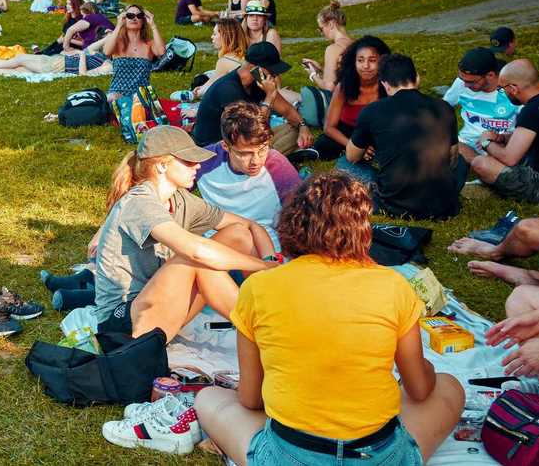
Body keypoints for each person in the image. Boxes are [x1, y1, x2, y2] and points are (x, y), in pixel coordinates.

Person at [194, 172, 464, 466]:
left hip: (288, 457)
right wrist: (419, 369)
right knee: (448, 385)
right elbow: (420, 389)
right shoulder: (393, 286)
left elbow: (250, 399)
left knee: (208, 398)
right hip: (379, 457)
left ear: (291, 225)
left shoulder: (259, 287)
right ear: (363, 229)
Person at [89, 126, 276, 343]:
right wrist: (262, 265)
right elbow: (196, 252)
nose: (197, 165)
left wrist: (272, 262)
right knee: (196, 259)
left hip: (164, 308)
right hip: (123, 326)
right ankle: (263, 330)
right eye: (188, 161)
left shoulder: (180, 199)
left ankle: (270, 311)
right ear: (162, 165)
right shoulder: (139, 202)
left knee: (237, 234)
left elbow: (248, 227)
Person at [345, 53, 461, 219]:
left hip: (395, 205)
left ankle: (374, 190)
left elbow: (352, 156)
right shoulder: (444, 107)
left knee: (344, 163)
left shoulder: (372, 111)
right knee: (461, 163)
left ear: (384, 84)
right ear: (417, 78)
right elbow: (453, 157)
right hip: (443, 206)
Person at [468, 59, 539, 206]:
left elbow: (510, 158)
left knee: (480, 163)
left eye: (502, 89)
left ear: (513, 88)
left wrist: (486, 142)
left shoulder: (531, 111)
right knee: (498, 151)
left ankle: (493, 187)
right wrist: (502, 138)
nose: (503, 93)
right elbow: (537, 136)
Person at [196, 102, 300, 240]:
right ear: (225, 146)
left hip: (269, 240)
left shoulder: (277, 166)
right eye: (245, 154)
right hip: (218, 238)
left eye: (262, 149)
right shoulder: (203, 161)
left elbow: (301, 213)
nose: (256, 161)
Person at [191, 42, 313, 154]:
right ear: (255, 69)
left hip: (243, 140)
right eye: (272, 71)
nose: (275, 75)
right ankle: (274, 156)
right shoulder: (229, 89)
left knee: (294, 129)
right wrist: (269, 98)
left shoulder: (257, 82)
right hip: (217, 148)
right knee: (257, 145)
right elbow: (250, 130)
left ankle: (275, 154)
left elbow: (287, 110)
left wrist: (302, 126)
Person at [301, 36, 390, 162]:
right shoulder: (344, 86)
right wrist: (351, 146)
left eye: (372, 60)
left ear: (382, 61)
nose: (366, 66)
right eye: (360, 60)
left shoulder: (389, 85)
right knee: (323, 145)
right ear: (354, 62)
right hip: (347, 133)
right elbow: (329, 127)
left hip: (376, 133)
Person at [443, 47, 519, 164]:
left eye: (471, 82)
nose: (465, 85)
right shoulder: (461, 83)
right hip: (467, 143)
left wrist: (501, 138)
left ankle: (484, 166)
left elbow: (528, 128)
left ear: (490, 75)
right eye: (462, 79)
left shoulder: (512, 90)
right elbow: (442, 108)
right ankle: (483, 165)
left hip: (500, 142)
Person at [101, 4, 165, 99]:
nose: (134, 18)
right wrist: (118, 25)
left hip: (141, 95)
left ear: (143, 20)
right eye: (130, 15)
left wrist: (153, 25)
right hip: (117, 94)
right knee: (112, 98)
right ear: (124, 19)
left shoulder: (149, 44)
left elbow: (161, 52)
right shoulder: (117, 42)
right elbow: (106, 51)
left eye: (139, 16)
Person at [300, 1, 352, 91]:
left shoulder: (333, 49)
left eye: (321, 29)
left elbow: (329, 87)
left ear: (331, 24)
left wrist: (313, 75)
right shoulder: (358, 43)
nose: (322, 33)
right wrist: (321, 69)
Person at [193, 18, 248, 99]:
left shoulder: (225, 61)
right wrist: (203, 87)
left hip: (240, 102)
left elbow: (207, 90)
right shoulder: (246, 54)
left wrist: (196, 92)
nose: (212, 37)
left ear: (225, 37)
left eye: (215, 34)